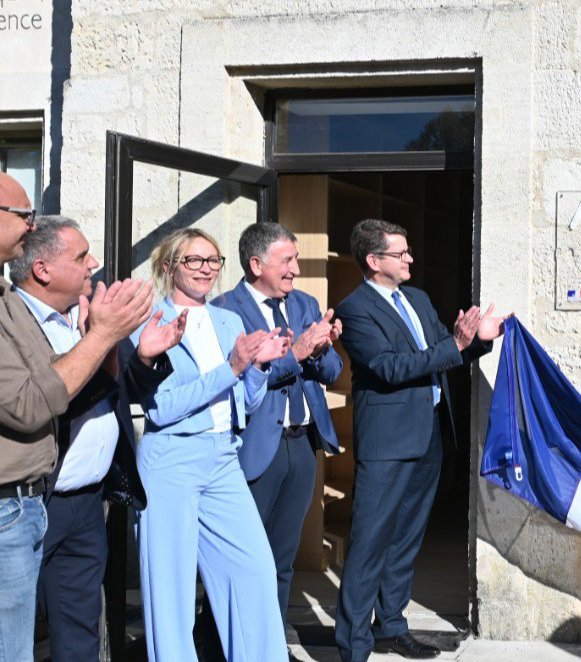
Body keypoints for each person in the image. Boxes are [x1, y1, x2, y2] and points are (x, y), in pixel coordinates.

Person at [9, 216, 182, 661]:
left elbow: (116, 393)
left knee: (81, 631)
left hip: (89, 503)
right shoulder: (14, 323)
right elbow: (40, 402)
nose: (95, 263)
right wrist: (102, 337)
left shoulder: (86, 315)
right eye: (82, 256)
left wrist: (143, 358)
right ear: (43, 270)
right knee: (15, 632)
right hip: (35, 501)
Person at [334, 219, 504, 662]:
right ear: (374, 261)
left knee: (405, 542)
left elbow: (442, 353)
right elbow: (390, 367)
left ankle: (391, 626)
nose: (410, 258)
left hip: (428, 434)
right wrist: (456, 344)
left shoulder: (418, 298)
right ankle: (353, 646)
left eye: (408, 251)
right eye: (400, 253)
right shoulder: (354, 310)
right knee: (369, 544)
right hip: (388, 443)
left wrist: (478, 342)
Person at [130, 227, 292, 662]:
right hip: (171, 460)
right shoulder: (151, 323)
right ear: (169, 266)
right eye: (194, 260)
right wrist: (232, 367)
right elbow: (162, 408)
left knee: (255, 572)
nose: (206, 269)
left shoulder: (227, 321)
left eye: (213, 260)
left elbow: (245, 402)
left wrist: (257, 368)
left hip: (223, 458)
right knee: (171, 593)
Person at [206, 221, 342, 659]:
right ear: (256, 264)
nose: (296, 270)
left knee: (282, 558)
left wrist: (321, 350)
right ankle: (220, 648)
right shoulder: (225, 311)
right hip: (254, 449)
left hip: (301, 446)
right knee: (238, 560)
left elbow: (333, 372)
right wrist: (297, 353)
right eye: (287, 261)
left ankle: (270, 648)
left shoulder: (304, 304)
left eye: (296, 259)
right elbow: (238, 380)